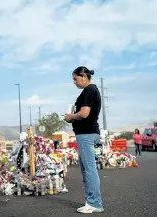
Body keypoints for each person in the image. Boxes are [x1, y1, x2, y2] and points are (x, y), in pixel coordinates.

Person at [65, 66, 104, 214]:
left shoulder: (89, 91)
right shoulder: (91, 91)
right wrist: (73, 119)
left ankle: (95, 203)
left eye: (76, 79)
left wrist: (71, 116)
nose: (74, 82)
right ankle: (91, 201)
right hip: (88, 133)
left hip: (86, 134)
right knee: (87, 169)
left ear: (84, 77)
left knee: (89, 170)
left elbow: (85, 113)